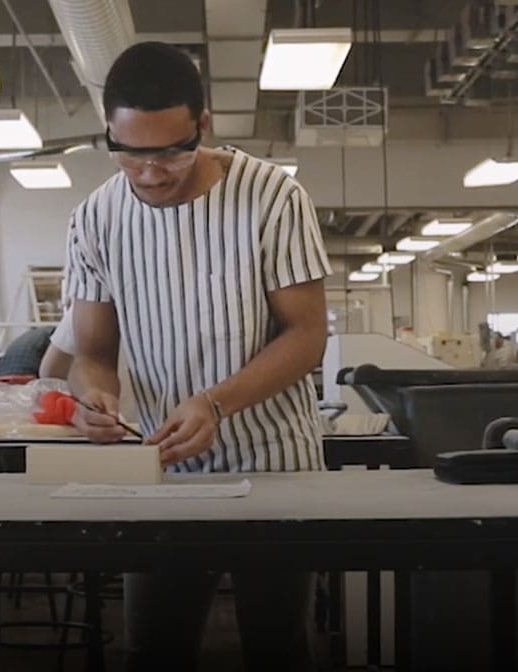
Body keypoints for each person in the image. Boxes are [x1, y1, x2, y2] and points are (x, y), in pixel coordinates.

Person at [64, 42, 330, 671]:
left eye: (171, 152)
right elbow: (93, 351)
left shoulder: (271, 198)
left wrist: (217, 401)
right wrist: (92, 395)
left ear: (202, 126)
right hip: (160, 467)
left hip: (274, 462)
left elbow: (305, 334)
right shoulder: (95, 218)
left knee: (276, 645)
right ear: (109, 132)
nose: (151, 172)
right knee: (153, 648)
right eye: (130, 153)